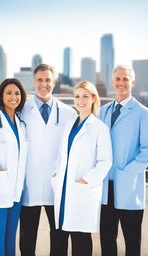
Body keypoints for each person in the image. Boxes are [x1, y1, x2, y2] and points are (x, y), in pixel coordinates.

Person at [20, 64, 77, 256]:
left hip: (57, 185)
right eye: (40, 80)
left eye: (48, 80)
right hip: (30, 184)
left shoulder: (69, 113)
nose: (44, 84)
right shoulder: (21, 110)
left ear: (54, 82)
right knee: (27, 237)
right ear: (33, 81)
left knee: (60, 236)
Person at [99, 65, 148, 256]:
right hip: (106, 188)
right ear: (112, 82)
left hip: (129, 188)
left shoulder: (142, 112)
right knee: (107, 240)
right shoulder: (103, 111)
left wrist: (126, 172)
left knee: (132, 243)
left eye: (125, 79)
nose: (121, 83)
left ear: (132, 82)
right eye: (118, 79)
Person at [51, 81, 112, 256]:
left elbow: (105, 162)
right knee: (60, 237)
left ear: (93, 98)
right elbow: (62, 156)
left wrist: (84, 181)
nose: (81, 100)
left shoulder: (100, 128)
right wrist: (56, 176)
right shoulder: (69, 124)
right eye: (77, 96)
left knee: (81, 240)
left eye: (85, 96)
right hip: (63, 191)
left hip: (81, 191)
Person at [0, 78, 28, 256]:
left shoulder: (21, 123)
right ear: (1, 96)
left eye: (17, 93)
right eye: (9, 93)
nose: (13, 97)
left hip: (17, 190)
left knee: (10, 239)